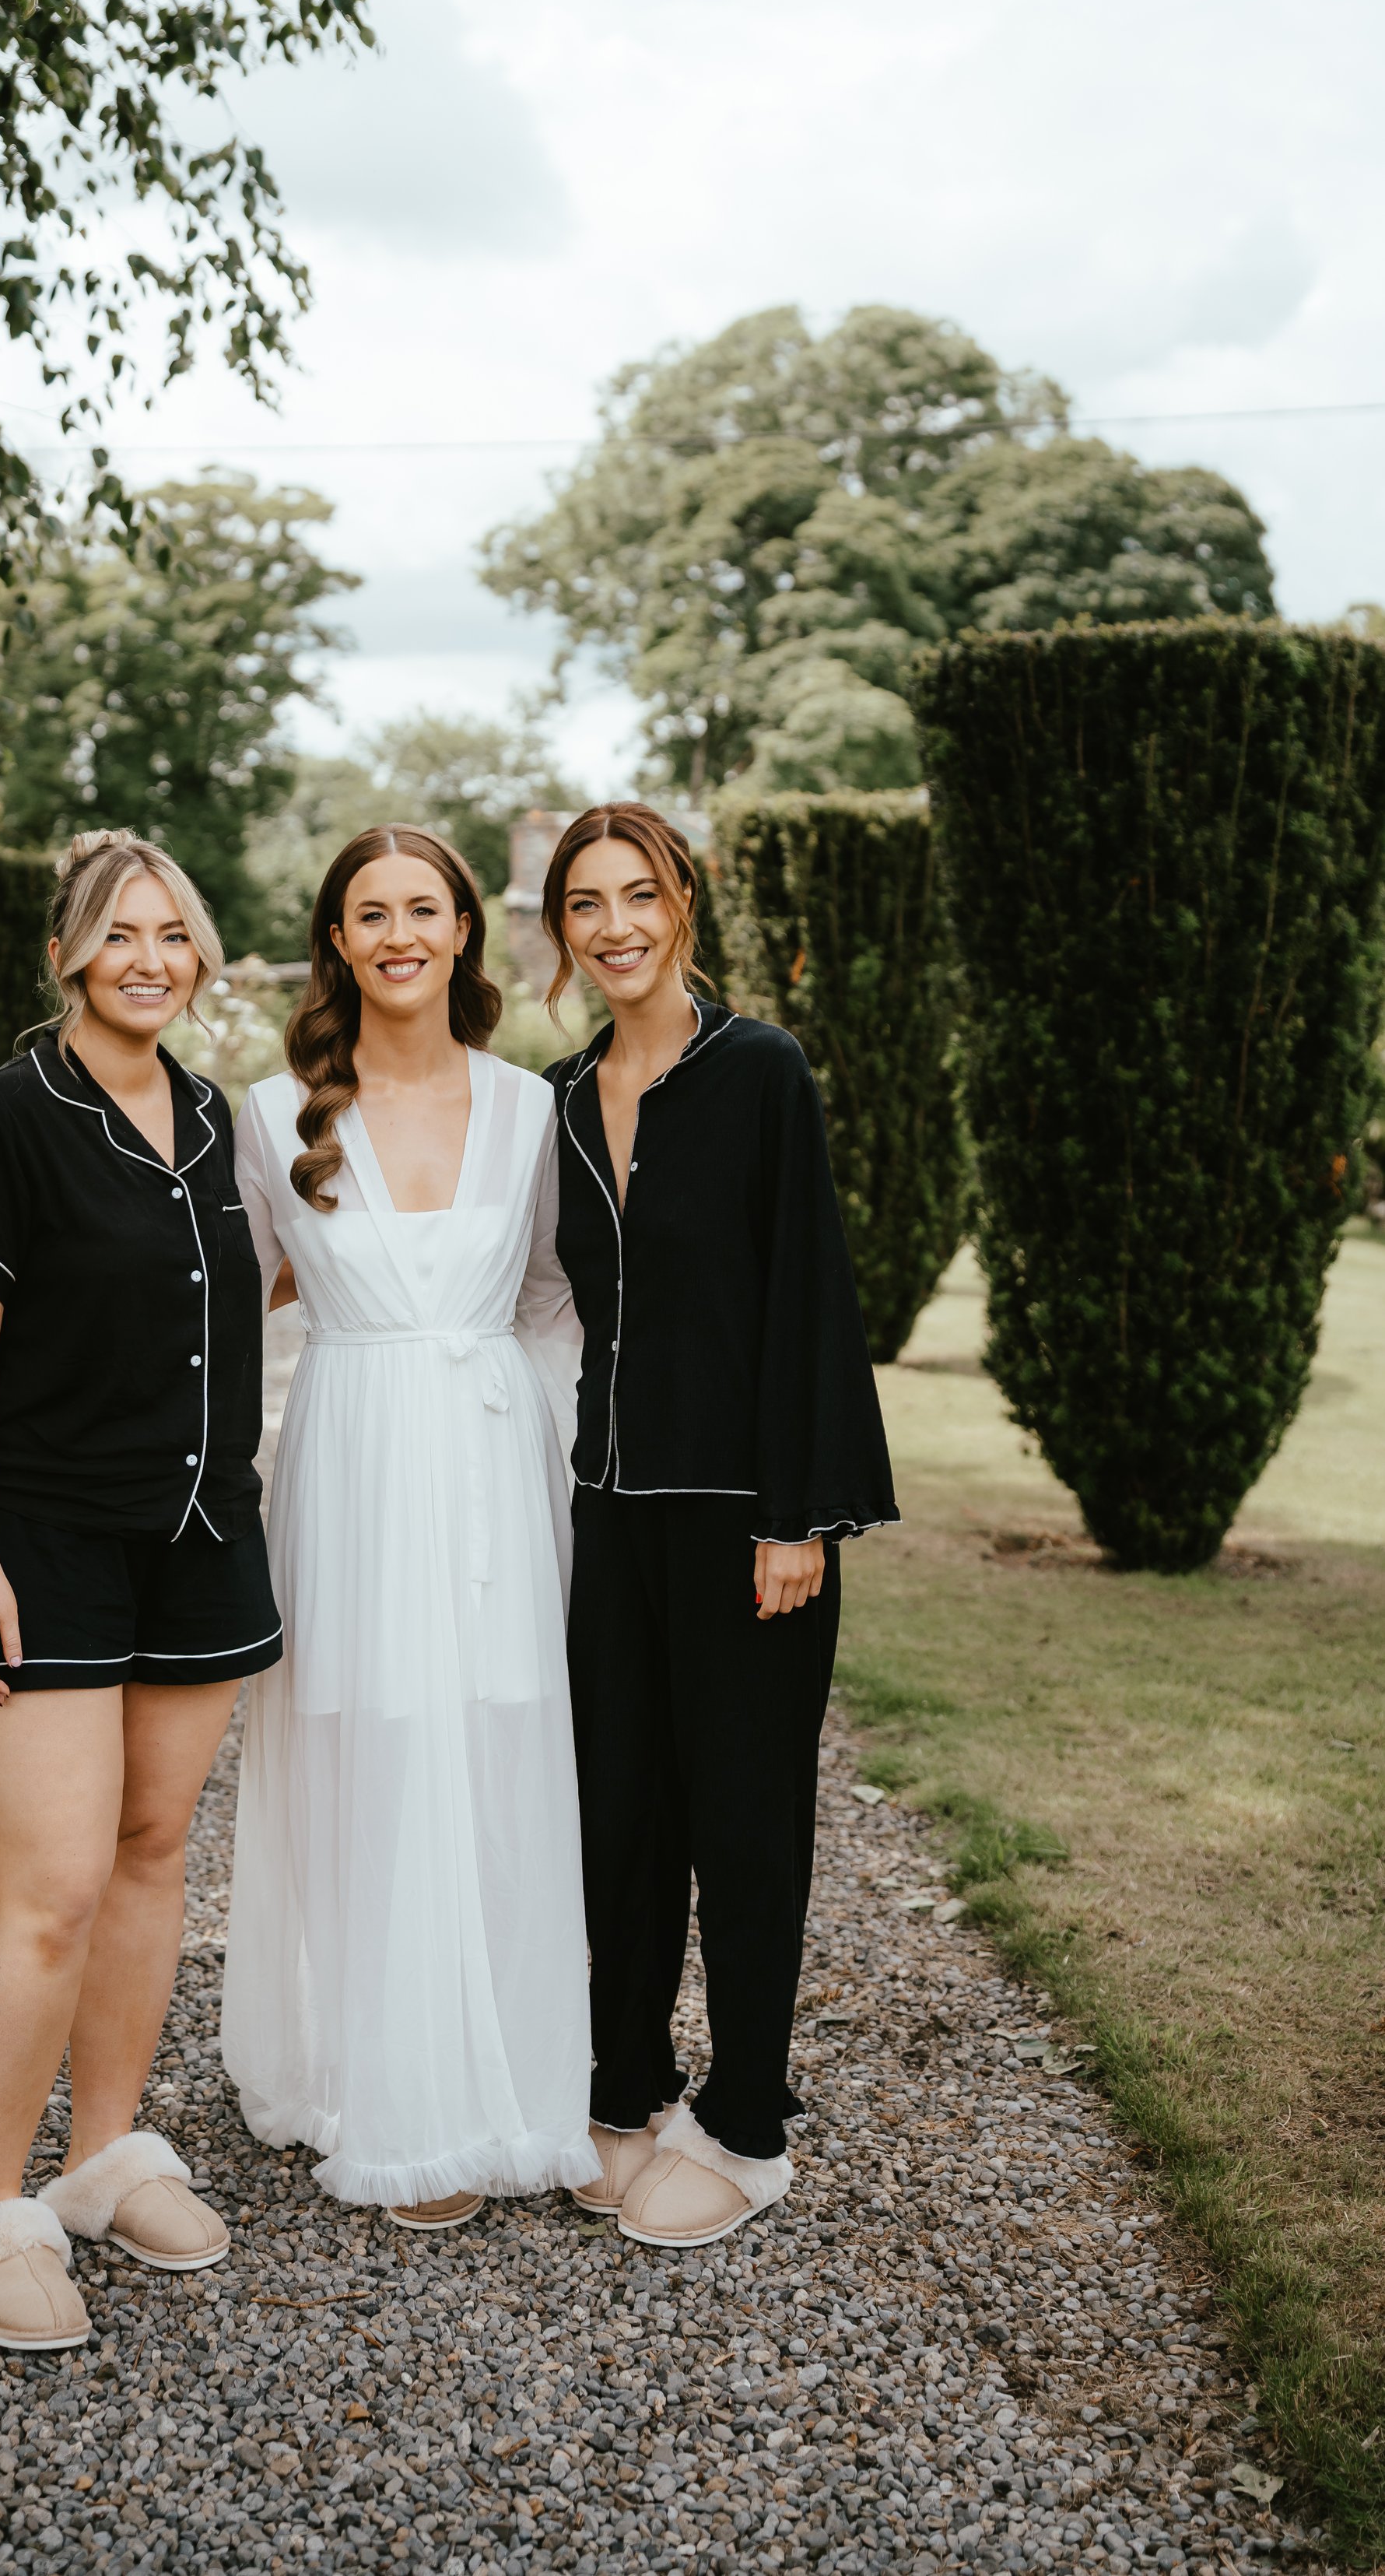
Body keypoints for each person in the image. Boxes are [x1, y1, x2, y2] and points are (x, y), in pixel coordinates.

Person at [0, 830, 282, 2350]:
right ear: (71, 954)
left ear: (198, 956)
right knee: (50, 1889)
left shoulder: (218, 1123)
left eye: (173, 935)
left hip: (196, 1536)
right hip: (45, 1539)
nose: (149, 958)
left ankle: (106, 2155)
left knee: (147, 1856)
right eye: (120, 935)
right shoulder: (11, 1114)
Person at [220, 826, 598, 2227]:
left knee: (497, 1736)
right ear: (335, 939)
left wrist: (530, 1424)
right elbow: (228, 1293)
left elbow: (555, 1290)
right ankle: (383, 2087)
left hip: (495, 1458)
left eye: (421, 909)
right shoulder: (270, 1118)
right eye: (366, 912)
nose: (396, 933)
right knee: (368, 1739)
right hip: (354, 1454)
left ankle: (505, 2074)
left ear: (459, 934)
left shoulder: (529, 1108)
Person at [540, 802, 897, 2250]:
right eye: (585, 902)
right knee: (619, 1816)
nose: (614, 924)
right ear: (559, 927)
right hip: (609, 1520)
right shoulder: (561, 1096)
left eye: (640, 893)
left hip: (750, 1524)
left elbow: (807, 1292)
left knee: (746, 1825)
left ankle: (750, 2120)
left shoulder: (758, 1072)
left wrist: (797, 1515)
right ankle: (625, 2085)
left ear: (684, 902)